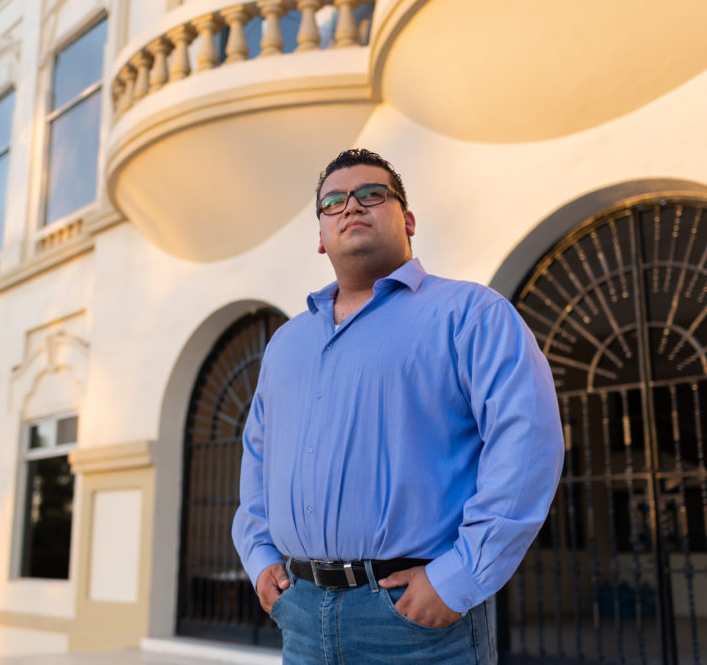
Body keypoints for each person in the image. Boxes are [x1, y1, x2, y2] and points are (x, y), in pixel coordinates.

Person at [231, 149, 564, 663]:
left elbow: (528, 443)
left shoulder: (470, 314)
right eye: (333, 202)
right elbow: (257, 455)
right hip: (299, 614)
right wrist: (258, 557)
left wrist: (461, 576)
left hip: (414, 620)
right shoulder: (286, 343)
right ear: (320, 236)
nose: (351, 207)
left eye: (372, 194)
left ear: (406, 219)